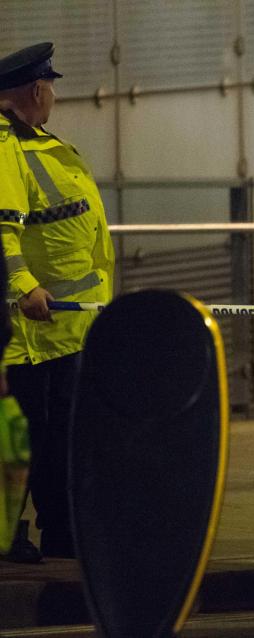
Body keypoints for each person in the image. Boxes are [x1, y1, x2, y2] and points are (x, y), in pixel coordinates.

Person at [0, 42, 115, 560]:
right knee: (29, 438)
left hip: (65, 331)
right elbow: (4, 228)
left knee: (55, 440)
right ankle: (13, 537)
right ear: (37, 89)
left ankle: (62, 533)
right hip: (35, 332)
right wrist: (24, 288)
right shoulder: (6, 146)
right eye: (51, 89)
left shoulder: (34, 141)